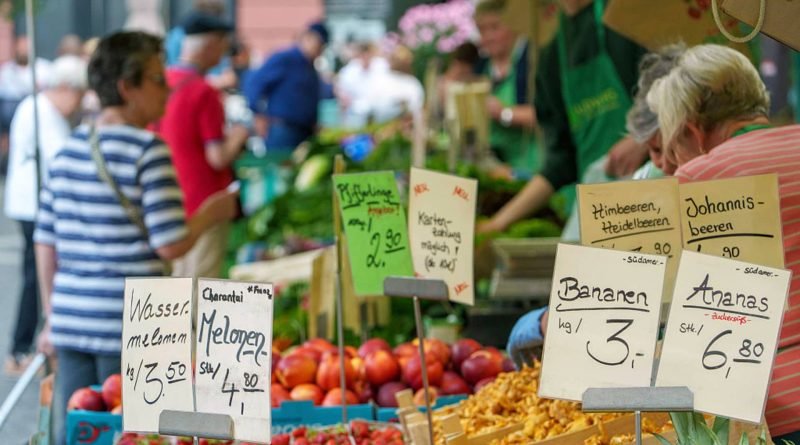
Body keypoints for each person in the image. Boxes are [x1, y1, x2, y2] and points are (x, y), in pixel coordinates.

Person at [34, 31, 238, 445]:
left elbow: (46, 240)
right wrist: (210, 213)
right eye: (158, 80)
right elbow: (170, 243)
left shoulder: (69, 148)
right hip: (138, 320)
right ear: (127, 87)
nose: (167, 90)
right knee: (136, 433)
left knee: (78, 433)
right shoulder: (148, 150)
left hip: (72, 318)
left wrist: (51, 314)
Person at [646, 44, 800, 438]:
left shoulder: (698, 178)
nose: (671, 165)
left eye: (673, 148)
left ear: (693, 131)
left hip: (777, 411)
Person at [505, 43, 680, 370]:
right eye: (655, 149)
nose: (665, 162)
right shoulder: (621, 184)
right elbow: (581, 284)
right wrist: (543, 322)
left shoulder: (712, 195)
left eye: (667, 146)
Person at [479, 0, 648, 234]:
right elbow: (561, 161)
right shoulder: (552, 58)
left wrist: (644, 137)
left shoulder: (630, 19)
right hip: (601, 211)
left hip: (654, 202)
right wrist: (497, 223)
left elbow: (681, 95)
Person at [3, 55, 87, 374]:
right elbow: (61, 159)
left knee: (35, 276)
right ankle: (22, 348)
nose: (78, 104)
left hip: (29, 203)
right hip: (33, 205)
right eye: (78, 95)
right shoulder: (44, 112)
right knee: (35, 277)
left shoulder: (37, 107)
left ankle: (23, 347)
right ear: (65, 87)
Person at [157, 13, 249, 278]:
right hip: (205, 203)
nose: (223, 55)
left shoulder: (161, 83)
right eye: (222, 46)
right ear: (211, 45)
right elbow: (217, 157)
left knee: (174, 285)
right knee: (200, 284)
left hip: (167, 198)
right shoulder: (203, 91)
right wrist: (239, 135)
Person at [473, 0, 539, 176]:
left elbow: (547, 117)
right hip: (494, 168)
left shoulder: (532, 62)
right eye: (482, 30)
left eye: (495, 27)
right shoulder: (482, 67)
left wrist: (504, 113)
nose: (488, 37)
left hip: (530, 168)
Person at [245, 22, 329, 154]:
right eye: (319, 44)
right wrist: (257, 113)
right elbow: (254, 83)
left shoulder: (310, 67)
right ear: (308, 38)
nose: (320, 50)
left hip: (305, 131)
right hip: (283, 129)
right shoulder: (286, 58)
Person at [0, 36, 53, 161]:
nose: (23, 51)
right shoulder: (7, 70)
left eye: (26, 48)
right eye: (20, 48)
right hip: (9, 112)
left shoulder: (44, 68)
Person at [359, 45, 424, 124]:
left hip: (406, 124)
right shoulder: (381, 79)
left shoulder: (412, 83)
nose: (400, 62)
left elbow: (416, 108)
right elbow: (372, 104)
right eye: (397, 59)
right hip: (381, 124)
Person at [336, 42, 390, 127]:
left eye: (368, 53)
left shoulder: (382, 66)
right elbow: (339, 89)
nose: (366, 56)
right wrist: (343, 97)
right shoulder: (349, 70)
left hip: (378, 113)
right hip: (355, 114)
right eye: (363, 54)